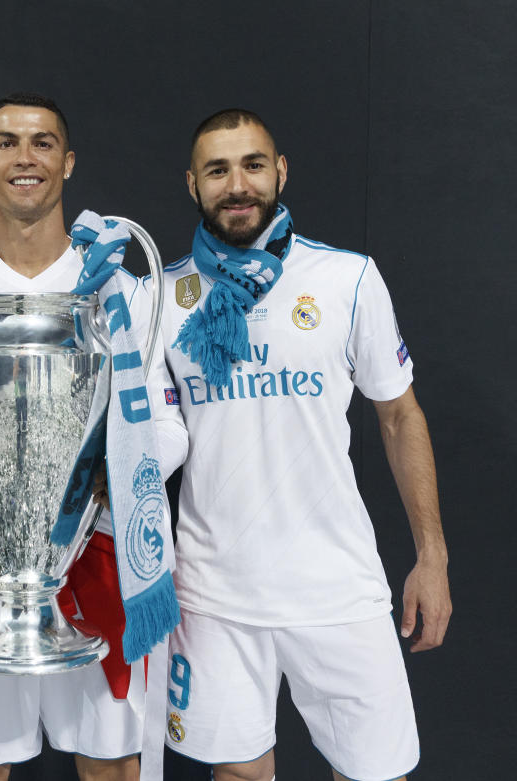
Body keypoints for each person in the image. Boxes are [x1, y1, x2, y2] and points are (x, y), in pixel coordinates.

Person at [0, 93, 188, 781]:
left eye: (43, 142)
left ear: (68, 161)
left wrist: (120, 465)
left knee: (112, 769)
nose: (26, 157)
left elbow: (168, 426)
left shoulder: (118, 291)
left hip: (95, 561)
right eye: (7, 142)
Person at [159, 109, 452, 781]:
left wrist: (431, 556)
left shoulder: (346, 279)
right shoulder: (161, 295)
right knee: (236, 775)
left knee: (377, 775)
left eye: (253, 165)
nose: (238, 184)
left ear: (280, 171)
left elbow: (400, 416)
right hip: (214, 592)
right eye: (218, 169)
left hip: (335, 585)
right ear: (193, 183)